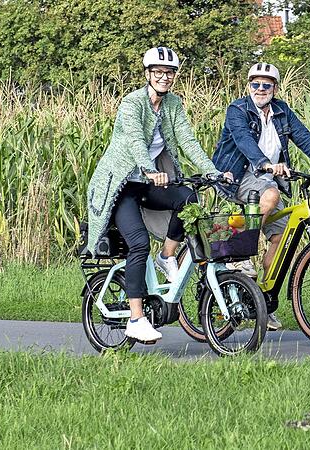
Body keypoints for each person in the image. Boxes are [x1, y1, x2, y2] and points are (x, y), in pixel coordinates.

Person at [86, 47, 230, 343]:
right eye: (159, 72)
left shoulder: (172, 103)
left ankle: (167, 256)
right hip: (120, 186)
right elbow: (137, 141)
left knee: (188, 199)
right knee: (138, 244)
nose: (165, 77)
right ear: (148, 74)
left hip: (145, 185)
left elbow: (187, 140)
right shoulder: (132, 103)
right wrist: (151, 170)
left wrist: (213, 171)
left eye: (170, 73)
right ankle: (136, 319)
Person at [212, 62, 310, 331]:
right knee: (271, 194)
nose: (260, 89)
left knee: (280, 239)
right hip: (238, 175)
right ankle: (238, 255)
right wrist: (264, 163)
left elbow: (305, 139)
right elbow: (243, 140)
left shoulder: (282, 112)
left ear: (275, 87)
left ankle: (261, 300)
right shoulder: (238, 109)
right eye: (255, 84)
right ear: (249, 86)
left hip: (267, 178)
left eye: (266, 85)